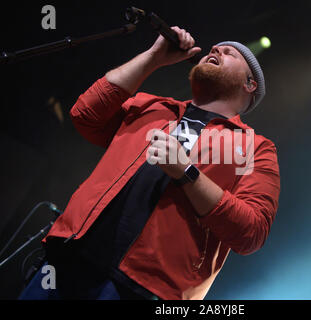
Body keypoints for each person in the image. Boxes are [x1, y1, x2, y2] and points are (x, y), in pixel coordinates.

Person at [20, 27, 280, 300]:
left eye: (229, 53)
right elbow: (86, 115)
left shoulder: (255, 147)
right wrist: (153, 58)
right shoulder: (151, 106)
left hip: (144, 290)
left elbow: (251, 232)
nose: (215, 50)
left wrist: (187, 172)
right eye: (215, 48)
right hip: (68, 257)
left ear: (250, 85)